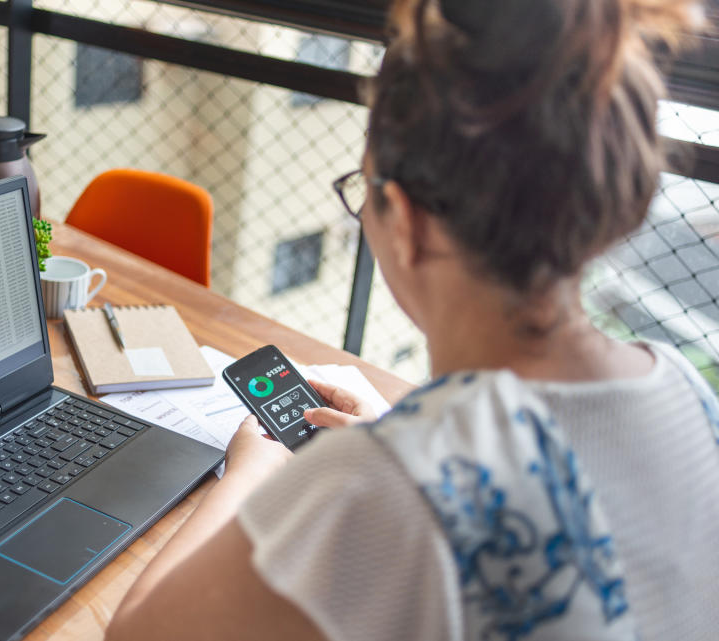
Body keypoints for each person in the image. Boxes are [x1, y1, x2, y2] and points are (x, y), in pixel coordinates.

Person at [105, 0, 718, 639]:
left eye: (360, 189)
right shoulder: (683, 389)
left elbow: (136, 633)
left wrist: (250, 476)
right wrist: (399, 438)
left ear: (407, 219)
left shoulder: (387, 485)